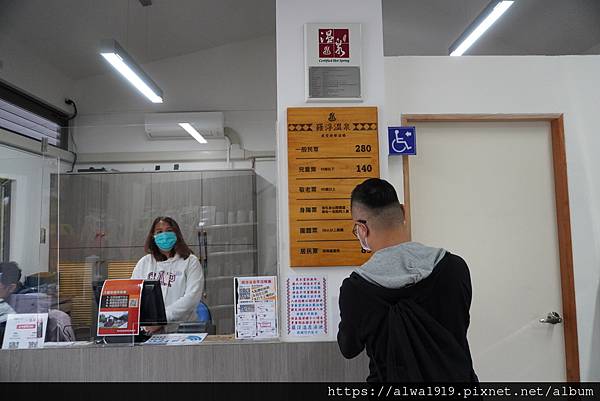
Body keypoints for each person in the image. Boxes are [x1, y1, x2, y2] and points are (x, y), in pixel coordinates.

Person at [337, 178, 478, 382]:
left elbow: (349, 348)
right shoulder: (454, 267)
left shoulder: (356, 289)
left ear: (361, 229)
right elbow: (459, 324)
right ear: (403, 212)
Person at [131, 216, 204, 333]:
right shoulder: (144, 263)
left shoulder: (190, 261)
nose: (164, 235)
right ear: (153, 237)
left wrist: (161, 320)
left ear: (177, 234)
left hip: (183, 330)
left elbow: (191, 298)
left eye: (169, 231)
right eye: (159, 232)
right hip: (149, 330)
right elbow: (133, 295)